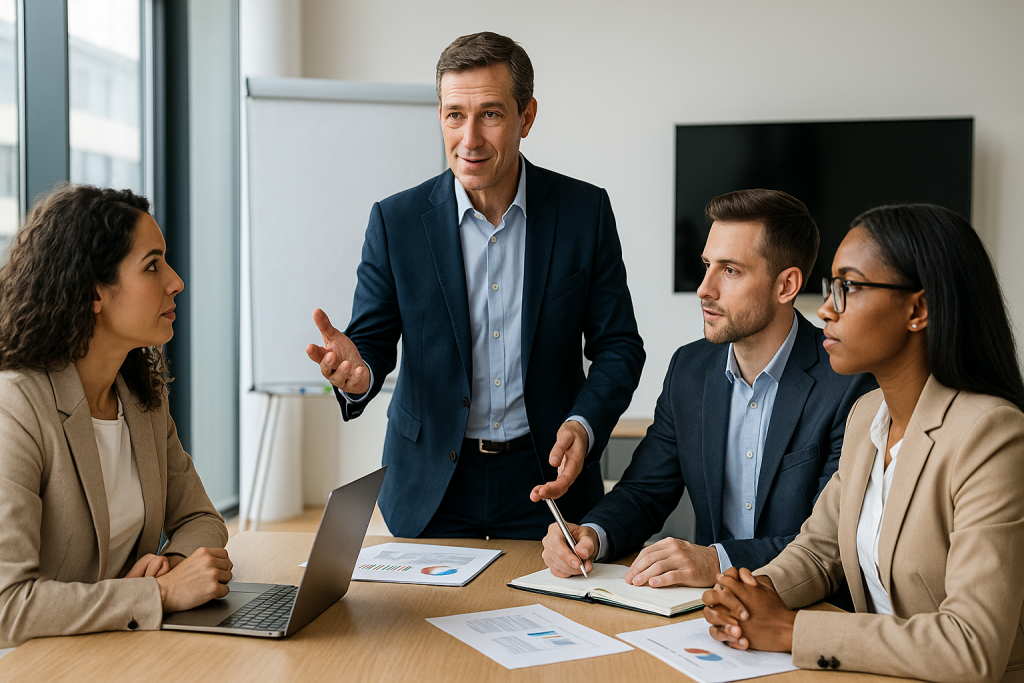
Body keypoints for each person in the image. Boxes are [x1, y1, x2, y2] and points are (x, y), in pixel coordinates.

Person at [306, 32, 645, 539]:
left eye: (490, 114)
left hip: (547, 478)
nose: (469, 139)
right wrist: (359, 375)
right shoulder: (395, 221)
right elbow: (371, 344)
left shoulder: (584, 214)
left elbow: (619, 347)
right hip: (430, 483)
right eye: (454, 116)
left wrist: (583, 424)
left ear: (526, 117)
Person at [703, 204, 1024, 682]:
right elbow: (818, 550)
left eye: (847, 287)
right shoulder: (867, 415)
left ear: (917, 309)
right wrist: (752, 593)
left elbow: (971, 648)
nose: (825, 309)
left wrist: (791, 630)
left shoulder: (992, 435)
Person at [542, 189, 875, 588]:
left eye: (730, 270)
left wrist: (717, 560)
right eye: (706, 265)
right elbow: (645, 491)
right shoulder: (689, 369)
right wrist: (592, 535)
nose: (704, 288)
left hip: (802, 612)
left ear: (786, 286)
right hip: (704, 615)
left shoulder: (850, 384)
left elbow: (832, 544)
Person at [0, 185, 232, 648]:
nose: (175, 281)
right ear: (93, 293)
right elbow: (8, 607)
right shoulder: (17, 406)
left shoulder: (139, 394)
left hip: (119, 649)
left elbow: (202, 517)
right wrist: (158, 593)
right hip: (39, 666)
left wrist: (178, 564)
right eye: (152, 266)